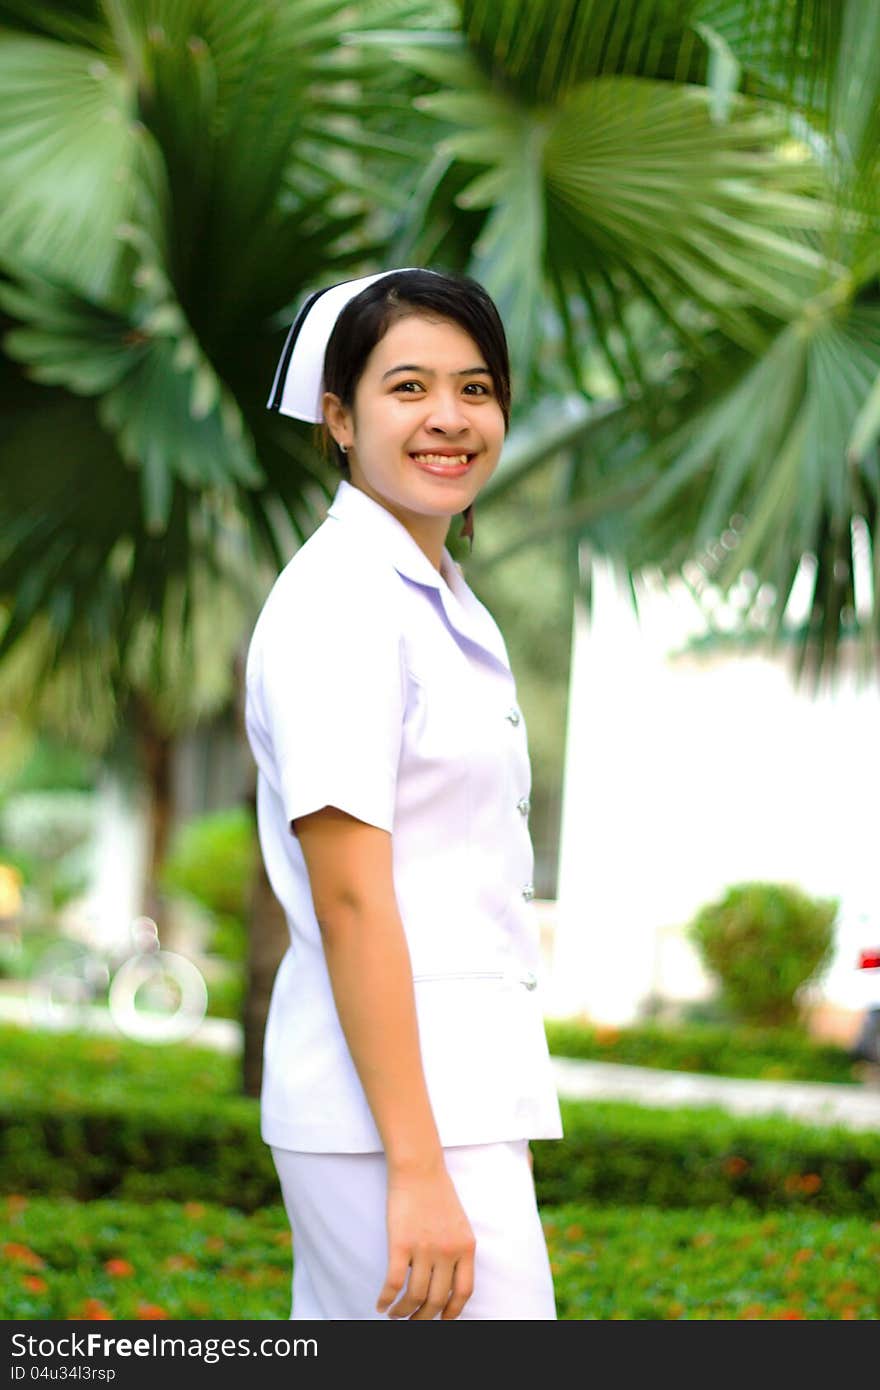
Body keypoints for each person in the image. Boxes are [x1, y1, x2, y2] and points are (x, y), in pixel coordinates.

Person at [244, 267, 565, 1321]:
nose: (450, 419)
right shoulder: (343, 604)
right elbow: (350, 901)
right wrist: (417, 1168)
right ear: (337, 417)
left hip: (439, 1102)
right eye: (408, 387)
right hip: (394, 1120)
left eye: (476, 389)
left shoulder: (427, 597)